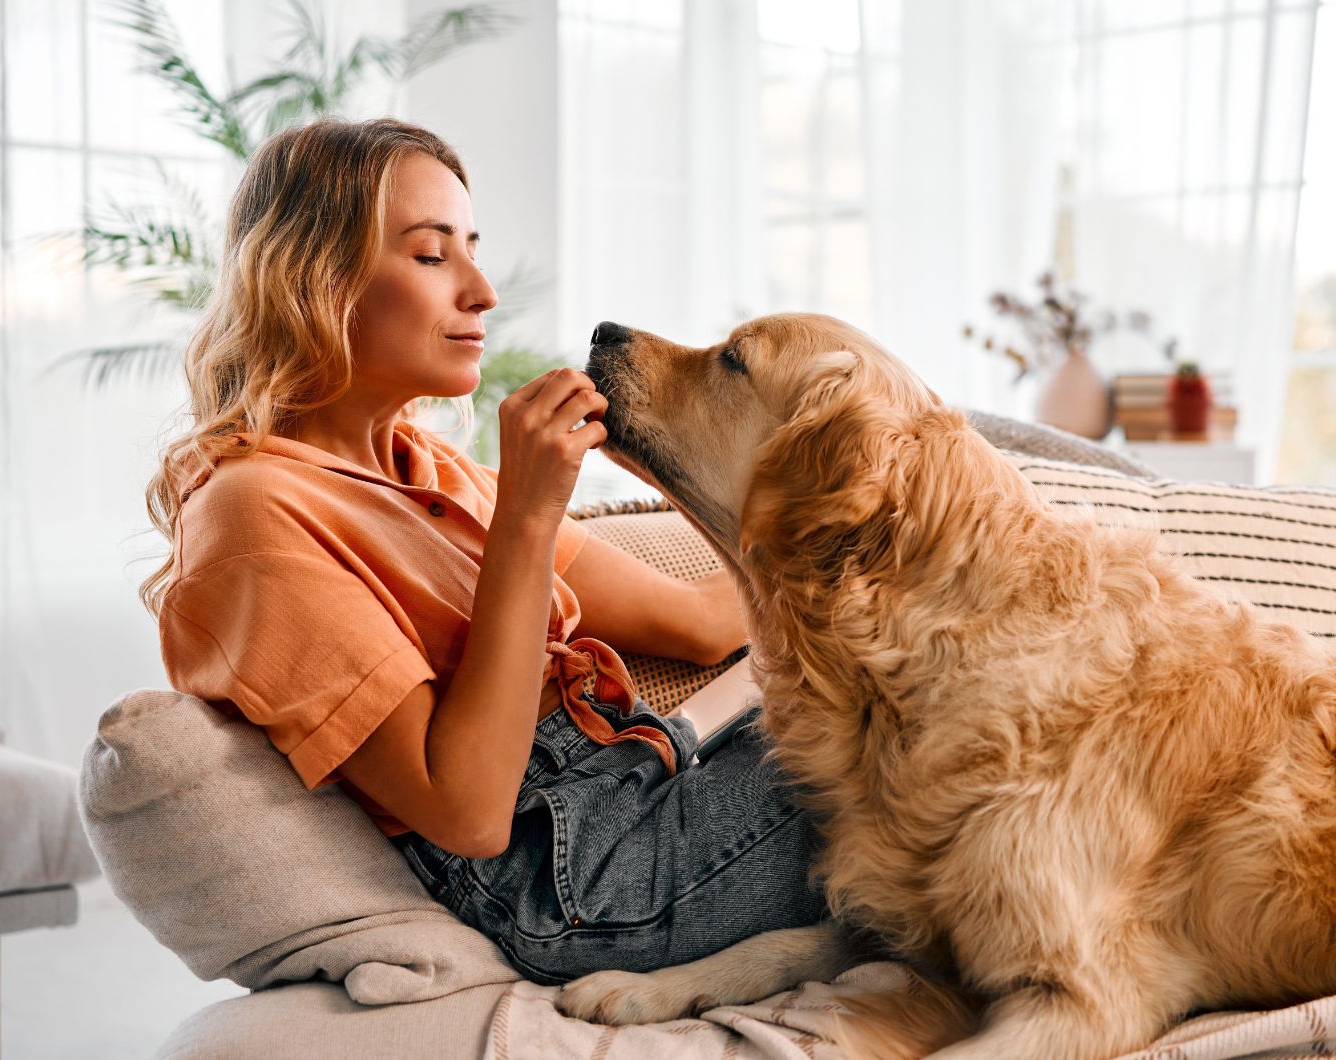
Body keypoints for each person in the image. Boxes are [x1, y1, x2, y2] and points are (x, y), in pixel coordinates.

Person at [143, 117, 828, 985]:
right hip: (570, 883)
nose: (482, 291)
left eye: (472, 248)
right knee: (922, 748)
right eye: (432, 256)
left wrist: (855, 550)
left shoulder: (426, 469)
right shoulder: (253, 520)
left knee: (919, 705)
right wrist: (528, 518)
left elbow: (699, 625)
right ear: (313, 281)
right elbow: (468, 815)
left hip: (642, 780)